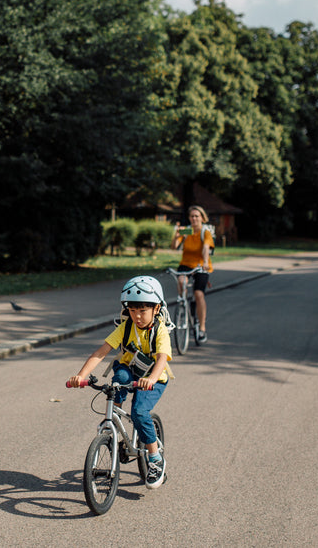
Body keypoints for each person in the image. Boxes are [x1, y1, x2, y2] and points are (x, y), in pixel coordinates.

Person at [66, 275, 173, 489]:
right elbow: (101, 352)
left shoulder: (159, 331)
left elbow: (162, 358)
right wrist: (81, 375)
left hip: (154, 377)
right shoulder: (125, 328)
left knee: (139, 413)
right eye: (132, 311)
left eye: (143, 311)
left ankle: (155, 459)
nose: (137, 316)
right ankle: (112, 423)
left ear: (156, 309)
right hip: (130, 372)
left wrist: (151, 379)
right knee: (119, 379)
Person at [170, 205, 214, 343]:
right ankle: (183, 304)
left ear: (202, 218)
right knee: (181, 281)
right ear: (189, 218)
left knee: (198, 294)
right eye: (192, 216)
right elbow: (174, 246)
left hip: (202, 265)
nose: (194, 218)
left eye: (197, 216)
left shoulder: (205, 231)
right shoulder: (187, 230)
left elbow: (206, 248)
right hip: (186, 264)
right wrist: (176, 236)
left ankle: (202, 328)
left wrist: (206, 261)